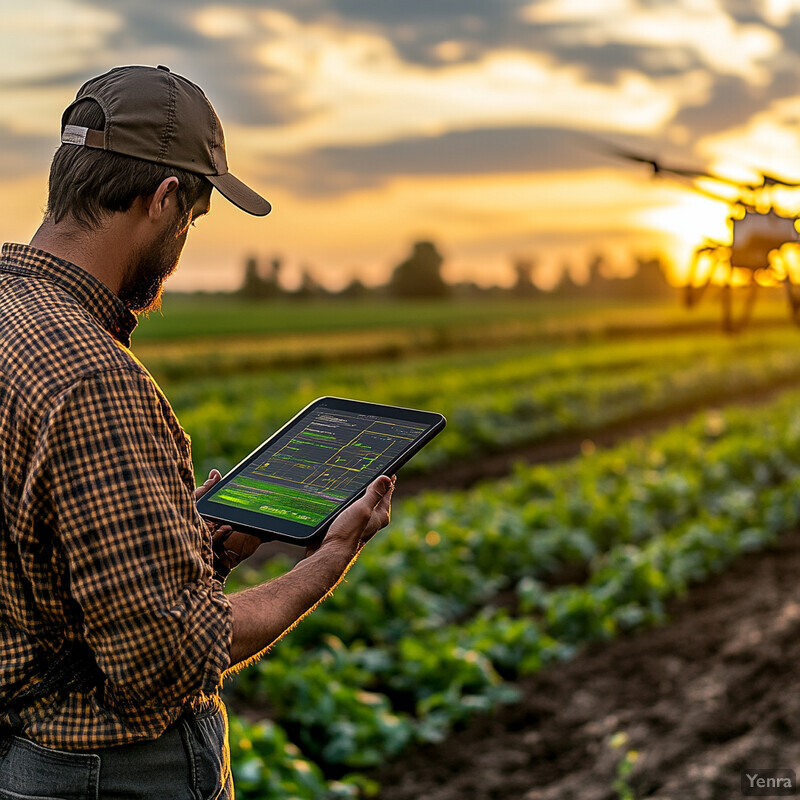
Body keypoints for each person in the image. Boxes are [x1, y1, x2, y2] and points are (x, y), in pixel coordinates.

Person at [0, 65, 395, 799]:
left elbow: (46, 568)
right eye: (194, 218)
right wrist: (331, 558)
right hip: (109, 775)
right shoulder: (92, 379)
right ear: (165, 199)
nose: (182, 245)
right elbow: (167, 654)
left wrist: (189, 545)